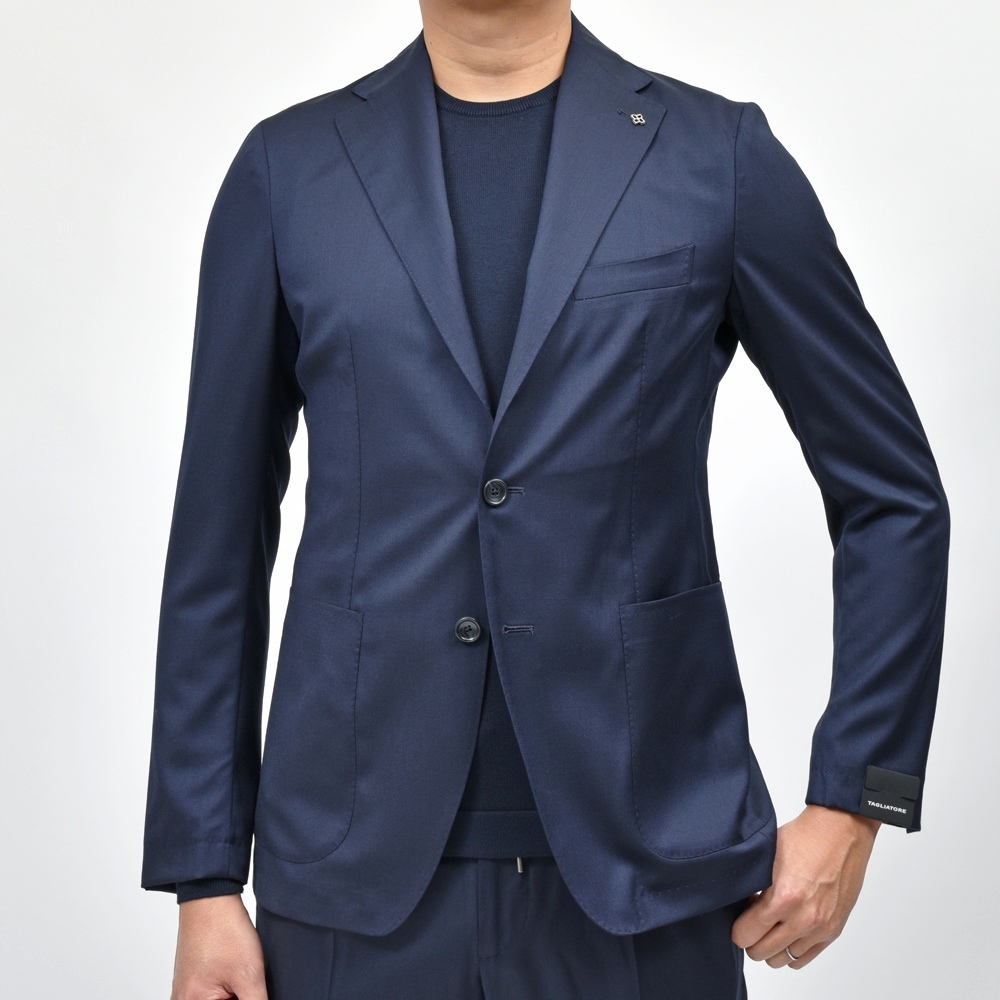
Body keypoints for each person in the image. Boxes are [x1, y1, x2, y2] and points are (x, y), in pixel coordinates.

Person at [141, 2, 950, 998]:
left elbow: (891, 495)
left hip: (649, 878)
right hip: (351, 885)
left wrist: (856, 798)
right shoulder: (289, 170)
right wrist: (204, 879)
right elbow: (217, 544)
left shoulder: (716, 158)